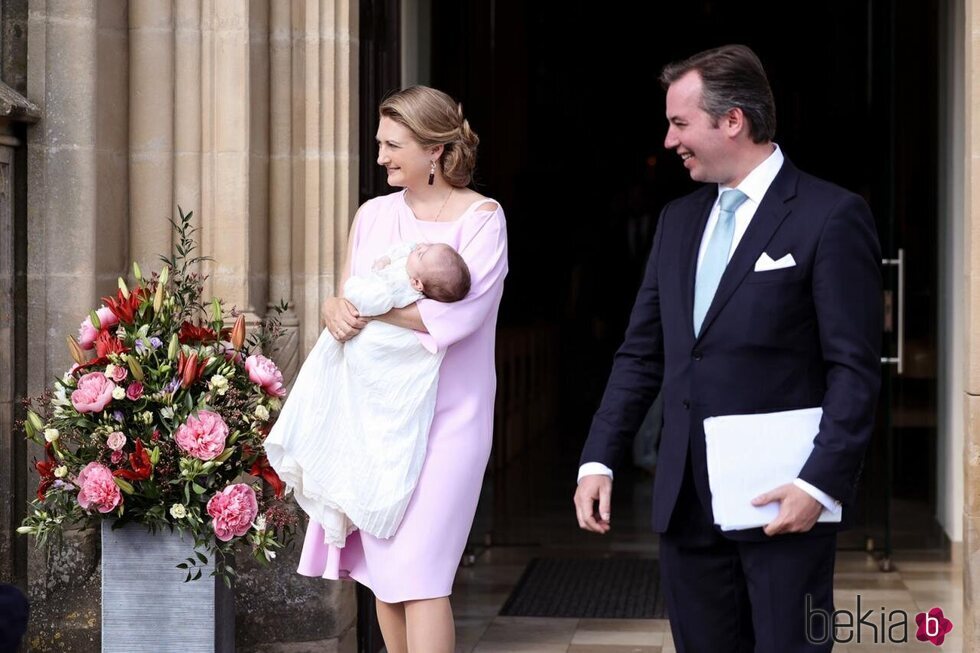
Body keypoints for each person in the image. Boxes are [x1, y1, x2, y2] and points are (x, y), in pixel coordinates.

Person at [573, 44, 881, 652]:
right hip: (684, 503)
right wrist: (599, 458)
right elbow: (642, 353)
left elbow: (855, 369)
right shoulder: (678, 221)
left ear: (732, 119)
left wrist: (818, 485)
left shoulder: (831, 215)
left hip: (782, 504)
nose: (669, 140)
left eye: (680, 123)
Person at [303, 85, 507, 653]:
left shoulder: (483, 218)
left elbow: (459, 315)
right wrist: (333, 307)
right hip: (377, 417)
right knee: (386, 576)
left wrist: (373, 310)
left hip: (451, 420)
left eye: (393, 145)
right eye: (379, 143)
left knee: (422, 574)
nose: (380, 157)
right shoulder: (372, 215)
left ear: (434, 150)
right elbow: (348, 297)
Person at [265, 241, 471, 548]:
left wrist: (359, 286)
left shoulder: (397, 287)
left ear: (418, 283)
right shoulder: (412, 277)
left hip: (378, 363)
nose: (421, 246)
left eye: (424, 252)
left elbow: (361, 298)